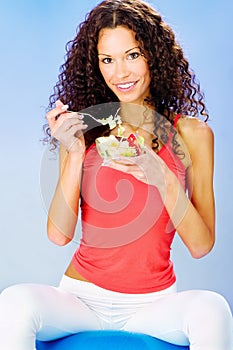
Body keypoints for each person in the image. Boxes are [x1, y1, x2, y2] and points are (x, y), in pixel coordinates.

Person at [0, 0, 232, 349]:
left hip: (154, 304)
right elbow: (59, 235)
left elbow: (201, 246)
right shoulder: (83, 130)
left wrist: (163, 178)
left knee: (213, 309)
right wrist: (76, 152)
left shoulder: (193, 135)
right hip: (80, 299)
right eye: (108, 60)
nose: (120, 72)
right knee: (14, 301)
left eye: (132, 55)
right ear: (95, 66)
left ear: (155, 55)